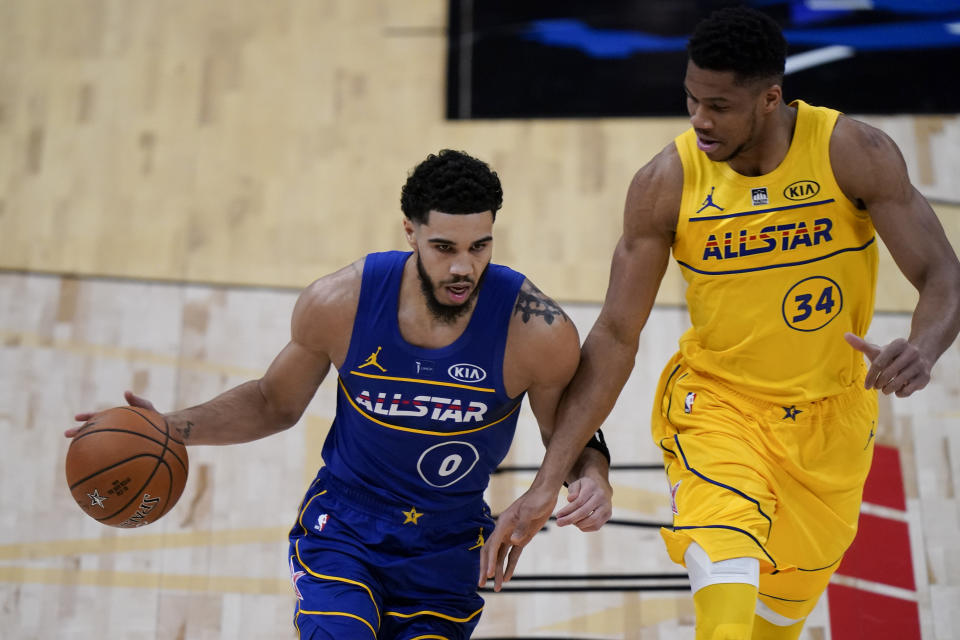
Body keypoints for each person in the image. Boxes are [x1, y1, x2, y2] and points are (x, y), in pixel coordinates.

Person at [480, 7, 960, 640]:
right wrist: (551, 479)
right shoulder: (666, 183)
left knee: (775, 624)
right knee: (725, 612)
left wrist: (924, 348)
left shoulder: (852, 153)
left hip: (832, 421)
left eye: (719, 105)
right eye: (691, 98)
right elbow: (617, 337)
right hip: (717, 410)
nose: (699, 119)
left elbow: (943, 276)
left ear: (770, 98)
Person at [67, 150, 613, 639]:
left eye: (480, 246)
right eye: (443, 247)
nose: (463, 267)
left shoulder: (535, 330)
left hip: (448, 543)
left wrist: (592, 476)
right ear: (410, 231)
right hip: (345, 527)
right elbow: (271, 403)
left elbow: (566, 429)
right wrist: (169, 428)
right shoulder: (341, 303)